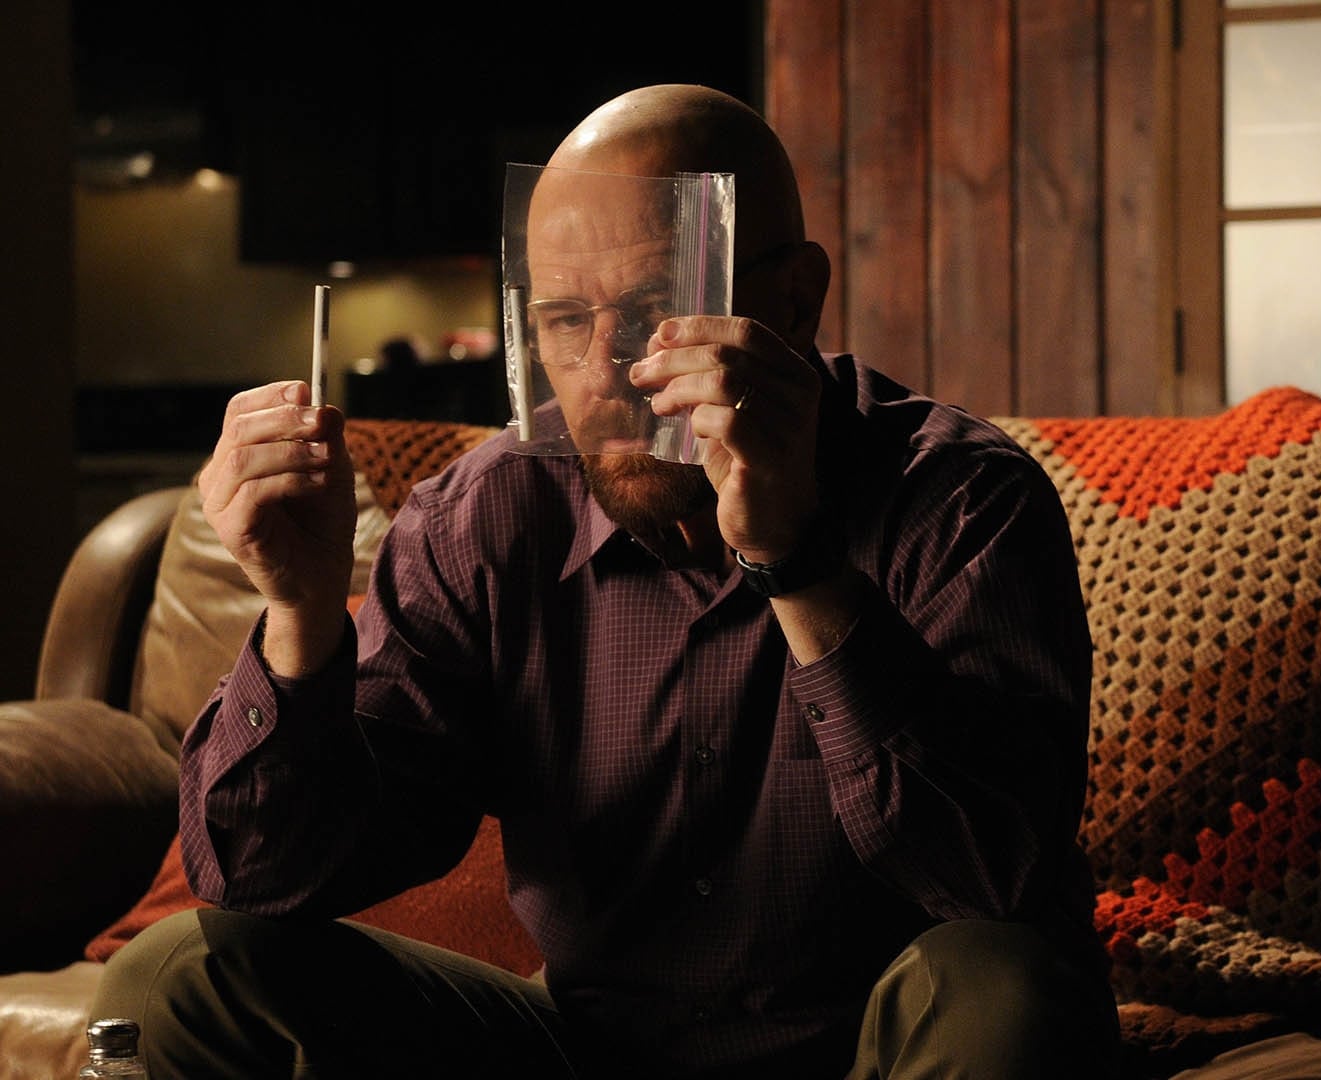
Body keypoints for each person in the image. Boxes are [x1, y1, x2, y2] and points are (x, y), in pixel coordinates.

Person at [89, 84, 1121, 1079]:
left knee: (1002, 984)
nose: (605, 374)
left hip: (880, 1051)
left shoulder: (960, 498)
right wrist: (299, 613)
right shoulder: (486, 515)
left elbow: (995, 876)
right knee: (182, 977)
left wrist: (799, 565)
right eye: (564, 319)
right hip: (586, 1052)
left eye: (658, 310)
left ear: (796, 300)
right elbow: (269, 876)